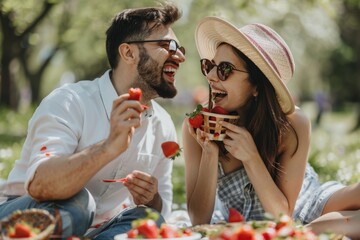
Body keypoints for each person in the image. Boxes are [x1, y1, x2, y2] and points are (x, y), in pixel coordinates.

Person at [0, 2, 185, 239]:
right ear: (129, 53)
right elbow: (39, 185)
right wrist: (108, 147)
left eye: (180, 48)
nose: (178, 56)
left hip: (100, 230)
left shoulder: (163, 124)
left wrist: (152, 198)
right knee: (79, 203)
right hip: (22, 213)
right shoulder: (70, 101)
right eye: (167, 45)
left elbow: (163, 211)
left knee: (148, 219)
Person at [182, 16, 360, 238]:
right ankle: (318, 229)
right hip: (272, 222)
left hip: (307, 202)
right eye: (209, 66)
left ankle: (318, 228)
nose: (209, 76)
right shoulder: (198, 125)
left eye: (225, 69)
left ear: (256, 85)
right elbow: (199, 221)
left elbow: (283, 212)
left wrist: (252, 157)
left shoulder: (292, 124)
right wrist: (209, 151)